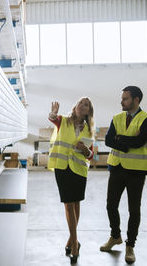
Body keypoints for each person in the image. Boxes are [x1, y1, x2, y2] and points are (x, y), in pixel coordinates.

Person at [100, 86, 147, 264]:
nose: (121, 101)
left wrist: (119, 138)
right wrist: (125, 142)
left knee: (134, 210)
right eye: (122, 98)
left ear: (136, 100)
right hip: (117, 167)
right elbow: (108, 140)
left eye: (125, 98)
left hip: (137, 171)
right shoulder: (116, 118)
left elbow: (142, 140)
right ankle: (115, 236)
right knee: (111, 206)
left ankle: (130, 246)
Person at [47, 97, 95, 263]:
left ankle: (71, 240)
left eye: (86, 105)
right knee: (68, 204)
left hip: (79, 169)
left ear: (89, 111)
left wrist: (85, 150)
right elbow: (53, 118)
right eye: (81, 103)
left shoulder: (89, 130)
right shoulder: (64, 121)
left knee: (76, 204)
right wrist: (53, 112)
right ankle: (75, 244)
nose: (83, 106)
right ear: (75, 107)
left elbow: (91, 155)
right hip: (62, 167)